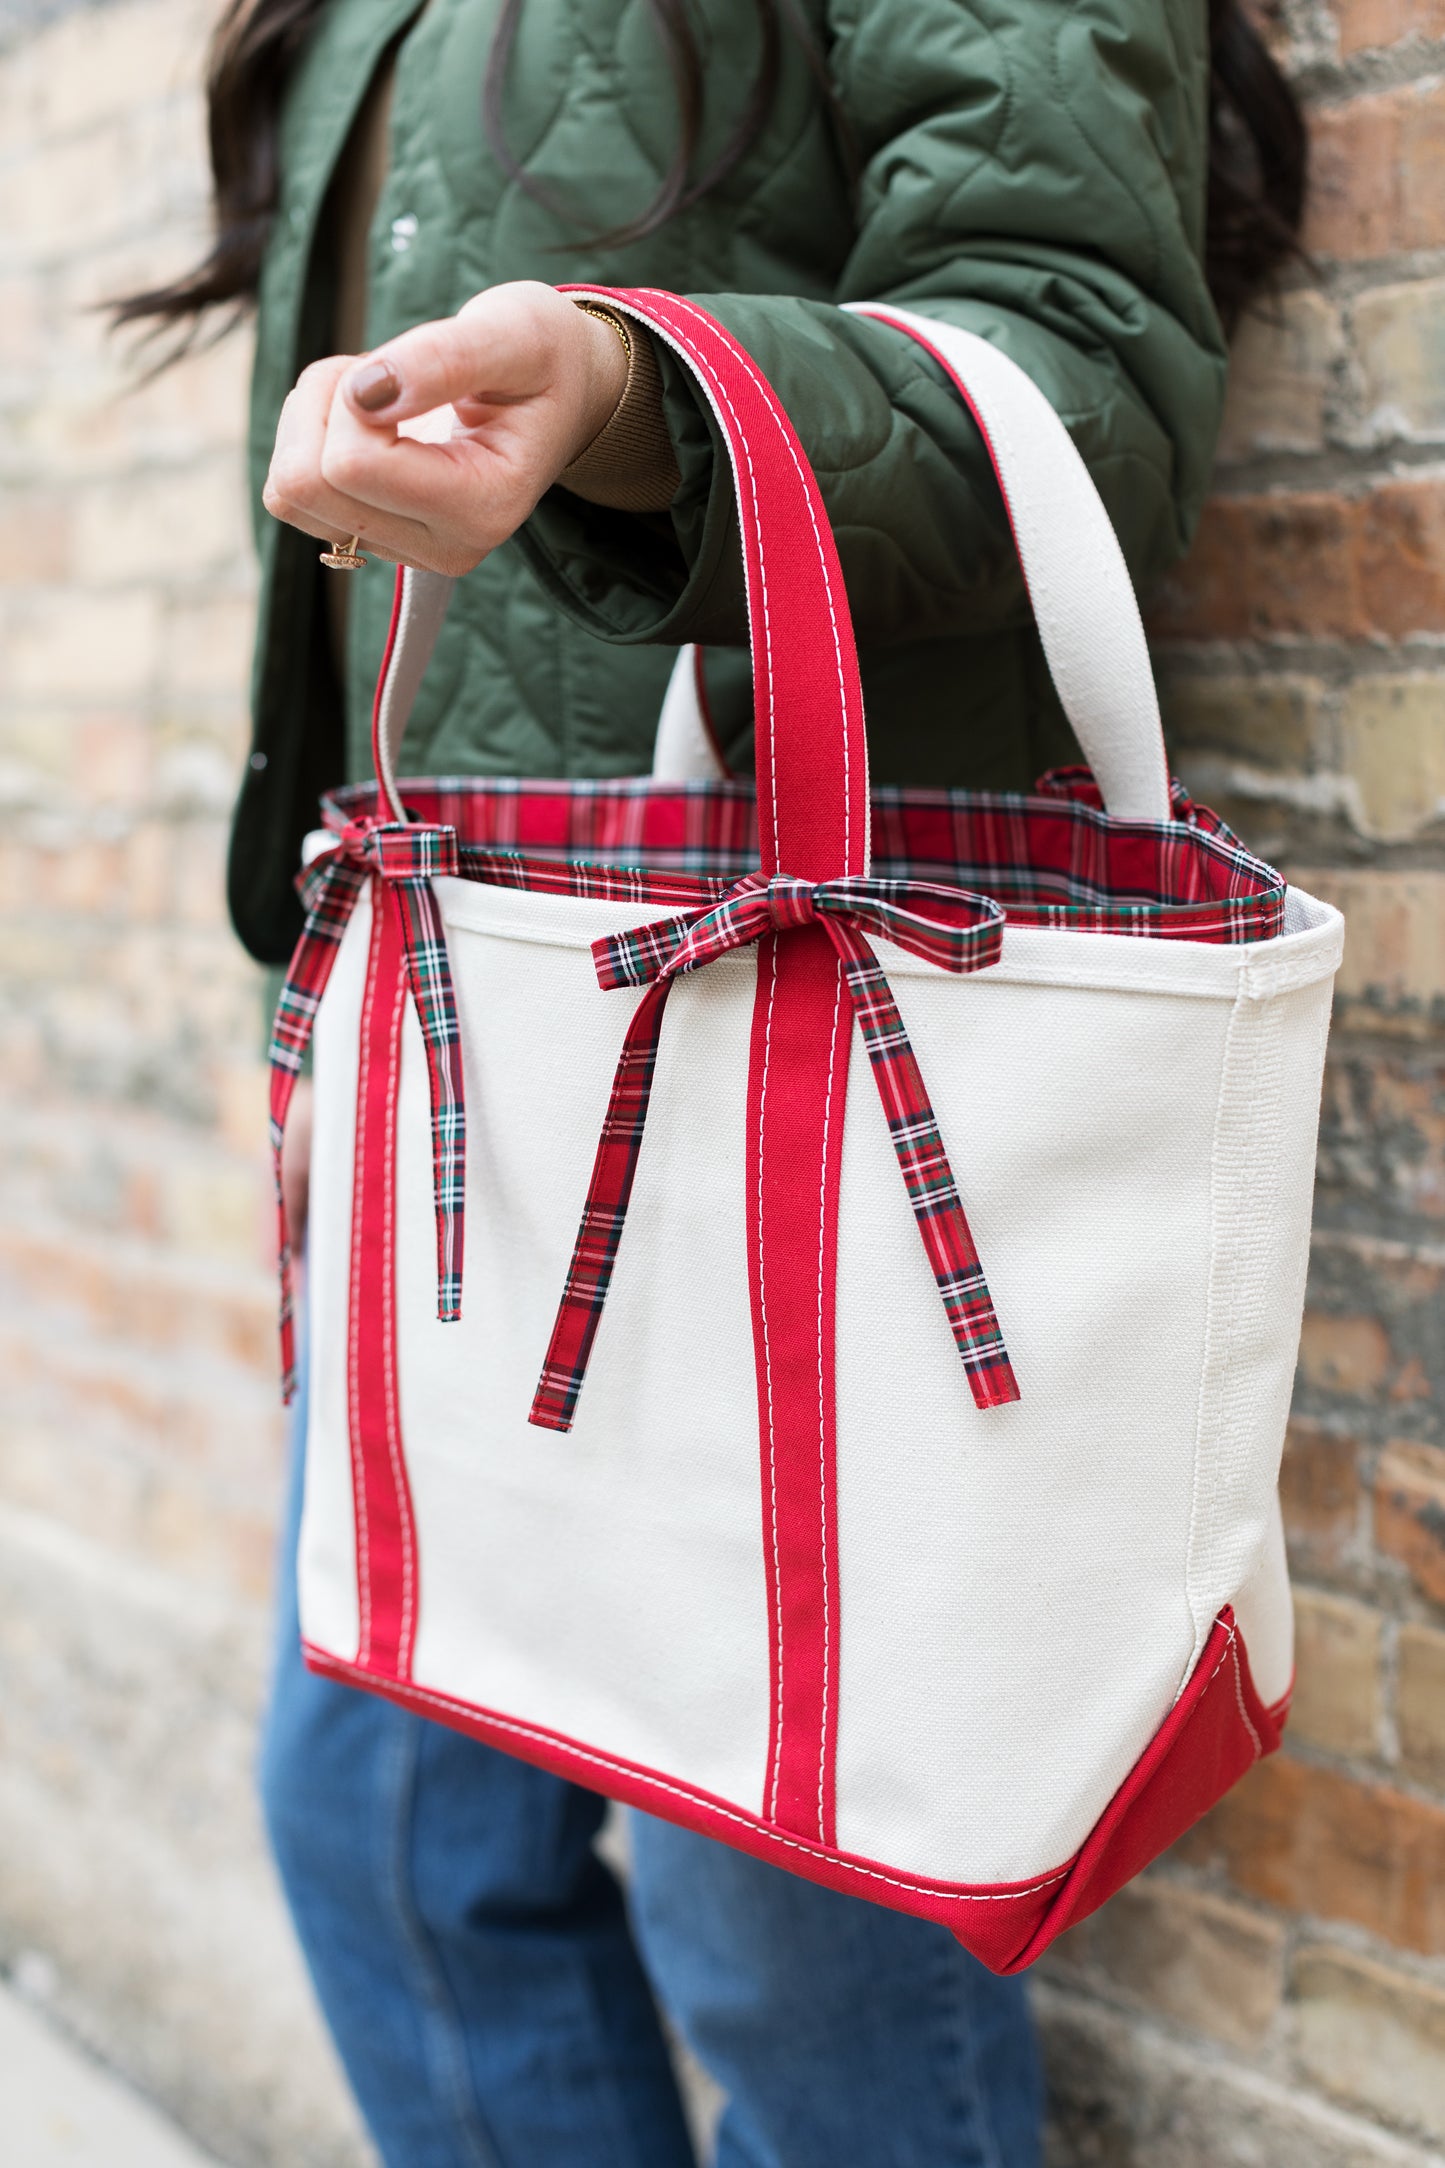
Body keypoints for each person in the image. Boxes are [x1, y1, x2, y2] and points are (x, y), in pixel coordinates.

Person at [119, 1, 1306, 2160]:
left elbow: (1077, 370)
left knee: (783, 1920)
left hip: (781, 1032)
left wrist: (643, 395)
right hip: (472, 1039)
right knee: (384, 1832)